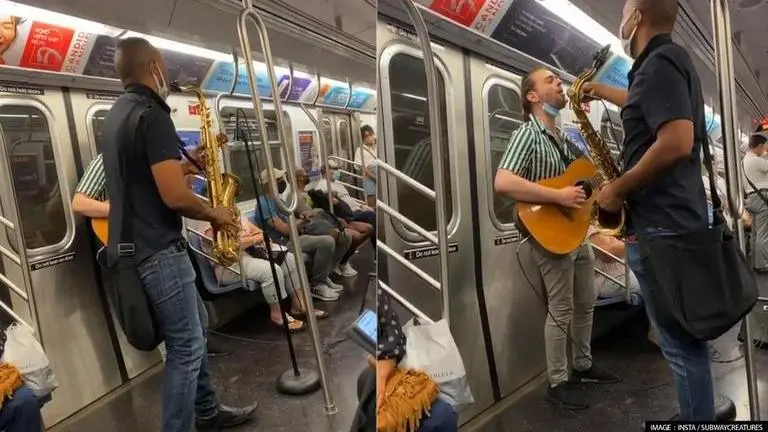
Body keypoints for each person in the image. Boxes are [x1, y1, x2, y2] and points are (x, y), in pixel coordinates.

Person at [100, 37, 256, 431]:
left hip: (135, 249)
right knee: (186, 347)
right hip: (158, 251)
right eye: (163, 64)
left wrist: (185, 165)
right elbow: (173, 197)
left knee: (196, 327)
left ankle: (207, 410)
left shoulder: (117, 113)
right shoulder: (153, 114)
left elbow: (144, 179)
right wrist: (216, 214)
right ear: (154, 65)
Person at [584, 0, 716, 420]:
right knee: (682, 341)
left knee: (679, 345)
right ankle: (697, 412)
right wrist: (598, 90)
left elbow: (675, 142)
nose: (621, 21)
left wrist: (617, 190)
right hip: (671, 224)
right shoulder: (664, 65)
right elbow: (644, 104)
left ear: (637, 18)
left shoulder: (659, 63)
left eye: (624, 12)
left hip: (662, 228)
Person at [493, 67, 618, 410]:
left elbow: (580, 181)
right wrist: (559, 196)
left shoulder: (560, 137)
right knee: (561, 308)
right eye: (549, 80)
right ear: (533, 96)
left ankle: (583, 364)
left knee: (585, 302)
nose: (558, 83)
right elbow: (503, 181)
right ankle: (558, 381)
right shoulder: (528, 134)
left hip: (575, 233)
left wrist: (601, 181)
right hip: (549, 235)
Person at [72, 149, 233, 358]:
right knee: (173, 329)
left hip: (164, 244)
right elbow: (79, 203)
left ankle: (200, 359)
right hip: (139, 252)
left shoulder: (149, 164)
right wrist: (124, 211)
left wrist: (185, 170)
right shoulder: (107, 161)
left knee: (196, 317)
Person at [201, 216, 329, 331]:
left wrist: (248, 240)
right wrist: (252, 239)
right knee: (271, 270)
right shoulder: (209, 224)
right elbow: (230, 247)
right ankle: (277, 314)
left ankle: (299, 305)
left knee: (290, 259)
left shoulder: (238, 216)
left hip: (250, 256)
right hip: (229, 267)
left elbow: (262, 234)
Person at [252, 168, 347, 302]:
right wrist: (301, 221)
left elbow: (290, 222)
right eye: (278, 180)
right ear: (269, 184)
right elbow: (284, 230)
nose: (282, 182)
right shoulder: (264, 204)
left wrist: (302, 217)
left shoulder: (278, 201)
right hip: (281, 244)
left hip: (293, 238)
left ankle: (324, 278)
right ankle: (317, 285)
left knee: (339, 235)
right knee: (327, 241)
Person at [743, 131, 768, 272]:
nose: (764, 150)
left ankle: (755, 262)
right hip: (761, 197)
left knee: (755, 233)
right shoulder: (757, 161)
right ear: (758, 146)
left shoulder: (744, 161)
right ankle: (762, 264)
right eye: (763, 147)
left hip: (752, 198)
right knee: (763, 233)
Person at [355, 125, 377, 208]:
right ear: (363, 138)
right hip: (369, 175)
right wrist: (374, 177)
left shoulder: (379, 146)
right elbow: (362, 167)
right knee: (371, 200)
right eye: (366, 136)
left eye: (370, 135)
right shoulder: (360, 150)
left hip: (380, 172)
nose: (369, 138)